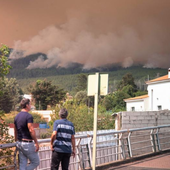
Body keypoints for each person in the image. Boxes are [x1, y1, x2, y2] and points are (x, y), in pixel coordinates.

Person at [14, 98, 40, 170]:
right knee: (36, 162)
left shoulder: (17, 116)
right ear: (27, 105)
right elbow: (31, 130)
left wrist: (16, 140)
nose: (31, 106)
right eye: (30, 104)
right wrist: (36, 143)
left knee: (23, 163)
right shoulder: (28, 116)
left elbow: (15, 130)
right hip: (27, 143)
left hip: (19, 143)